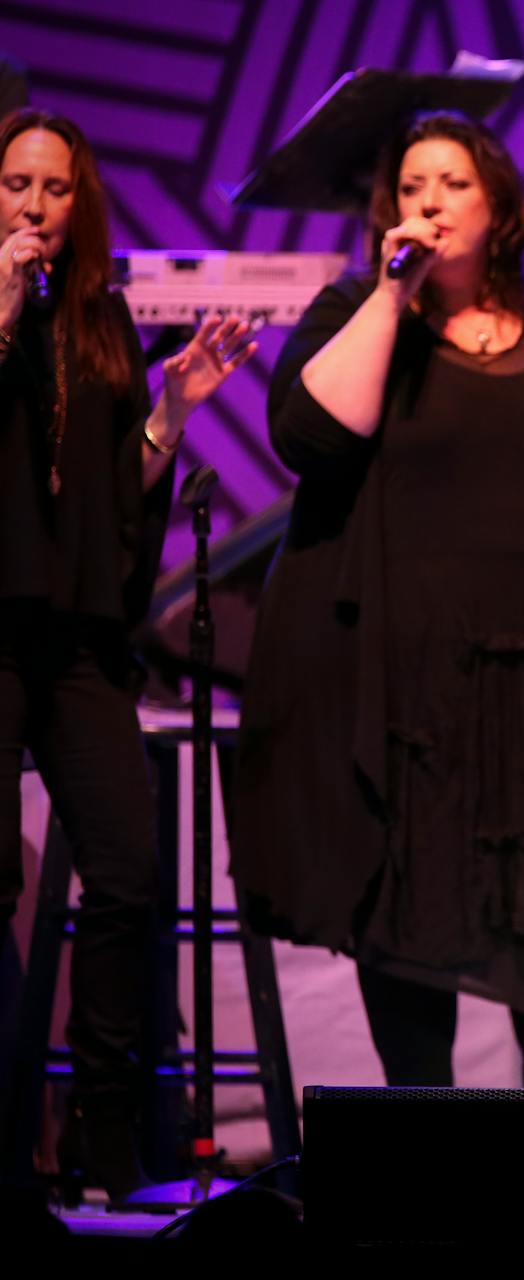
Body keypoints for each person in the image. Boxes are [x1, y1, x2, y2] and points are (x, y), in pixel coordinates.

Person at [231, 111, 524, 1088]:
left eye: (452, 182)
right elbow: (316, 435)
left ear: (495, 202)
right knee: (416, 923)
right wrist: (391, 291)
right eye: (412, 186)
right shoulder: (357, 311)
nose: (429, 200)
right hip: (412, 682)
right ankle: (433, 1185)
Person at [0, 109, 254, 1199]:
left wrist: (175, 410)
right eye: (16, 184)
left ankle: (103, 1128)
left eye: (56, 188)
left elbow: (119, 488)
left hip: (78, 638)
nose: (36, 206)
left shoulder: (102, 318)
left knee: (127, 872)